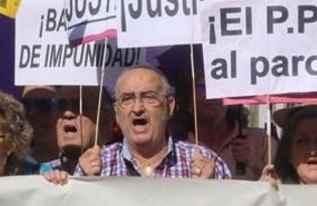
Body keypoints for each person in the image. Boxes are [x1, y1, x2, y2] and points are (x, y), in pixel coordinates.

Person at [73, 65, 230, 180]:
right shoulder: (95, 165)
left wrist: (211, 190)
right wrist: (87, 184)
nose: (138, 108)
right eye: (127, 99)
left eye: (149, 97)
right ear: (117, 112)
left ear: (169, 106)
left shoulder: (206, 163)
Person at [191, 80, 273, 182]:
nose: (211, 95)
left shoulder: (261, 140)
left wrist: (256, 164)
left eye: (218, 86)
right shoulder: (176, 146)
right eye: (201, 87)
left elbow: (283, 185)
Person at [40, 86, 116, 174]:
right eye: (61, 106)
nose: (67, 114)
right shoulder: (41, 174)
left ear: (106, 121)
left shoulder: (124, 166)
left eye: (79, 106)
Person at [21, 85, 60, 165]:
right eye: (26, 104)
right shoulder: (8, 165)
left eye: (43, 103)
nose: (33, 113)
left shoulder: (82, 164)